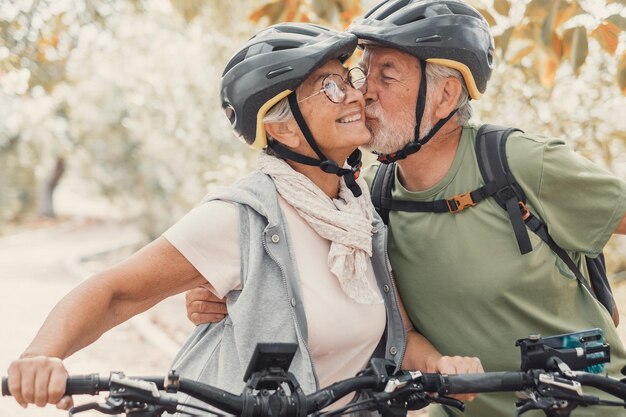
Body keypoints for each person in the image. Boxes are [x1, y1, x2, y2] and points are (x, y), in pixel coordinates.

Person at [6, 22, 481, 414]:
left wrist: (443, 366)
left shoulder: (358, 218)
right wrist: (39, 357)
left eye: (349, 79)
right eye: (329, 87)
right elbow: (113, 292)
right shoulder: (243, 217)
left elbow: (399, 336)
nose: (355, 95)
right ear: (283, 126)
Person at [185, 1, 626, 416]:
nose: (364, 94)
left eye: (387, 77)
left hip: (590, 405)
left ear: (446, 94)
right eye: (363, 73)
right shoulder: (373, 201)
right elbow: (322, 284)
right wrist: (232, 293)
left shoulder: (520, 163)